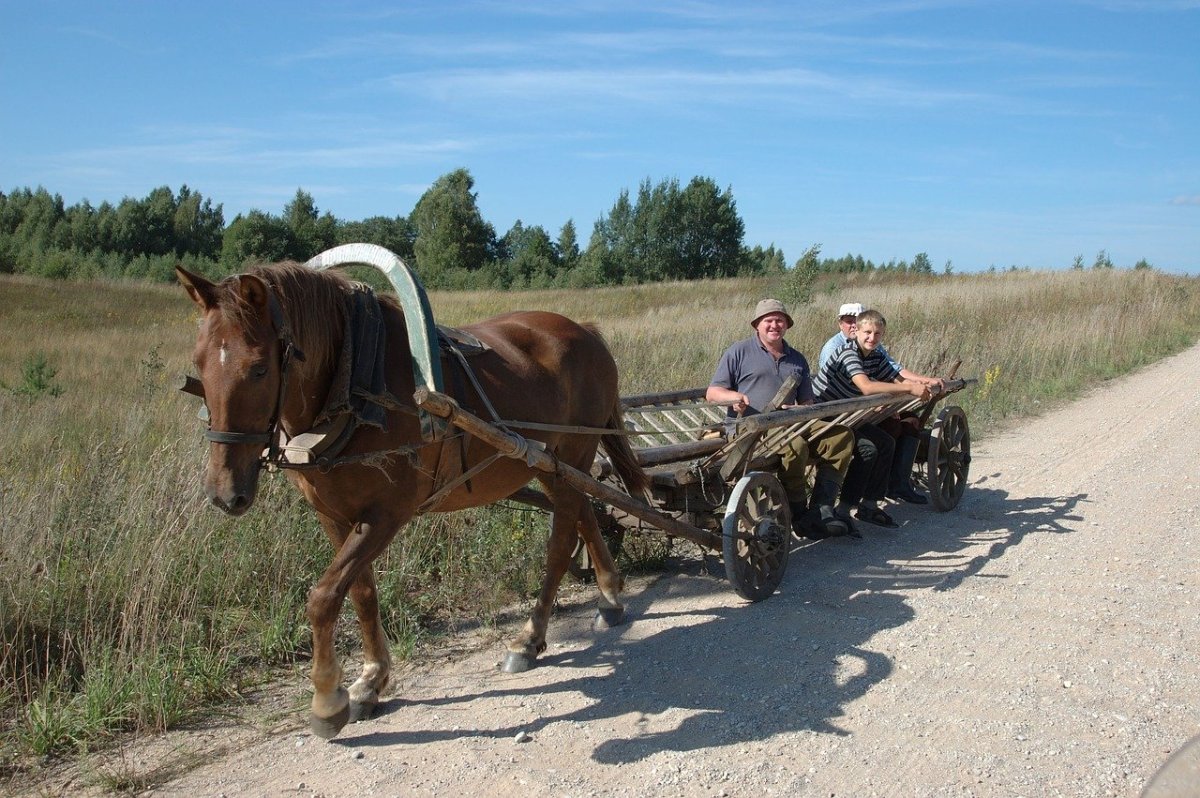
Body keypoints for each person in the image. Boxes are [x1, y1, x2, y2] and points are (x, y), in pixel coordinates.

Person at [706, 299, 857, 539]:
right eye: (769, 320)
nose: (774, 325)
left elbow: (809, 404)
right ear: (757, 325)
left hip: (791, 422)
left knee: (842, 436)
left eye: (780, 320)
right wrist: (733, 397)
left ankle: (821, 508)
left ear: (786, 325)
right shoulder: (738, 351)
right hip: (751, 428)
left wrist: (796, 409)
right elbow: (713, 393)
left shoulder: (796, 359)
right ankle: (798, 513)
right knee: (795, 446)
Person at [813, 309, 933, 527]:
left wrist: (922, 385)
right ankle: (843, 508)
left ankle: (869, 505)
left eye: (877, 334)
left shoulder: (876, 355)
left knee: (886, 442)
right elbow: (866, 387)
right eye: (867, 332)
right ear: (856, 331)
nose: (872, 338)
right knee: (868, 448)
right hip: (824, 417)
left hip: (848, 415)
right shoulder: (847, 353)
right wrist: (910, 388)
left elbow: (896, 377)